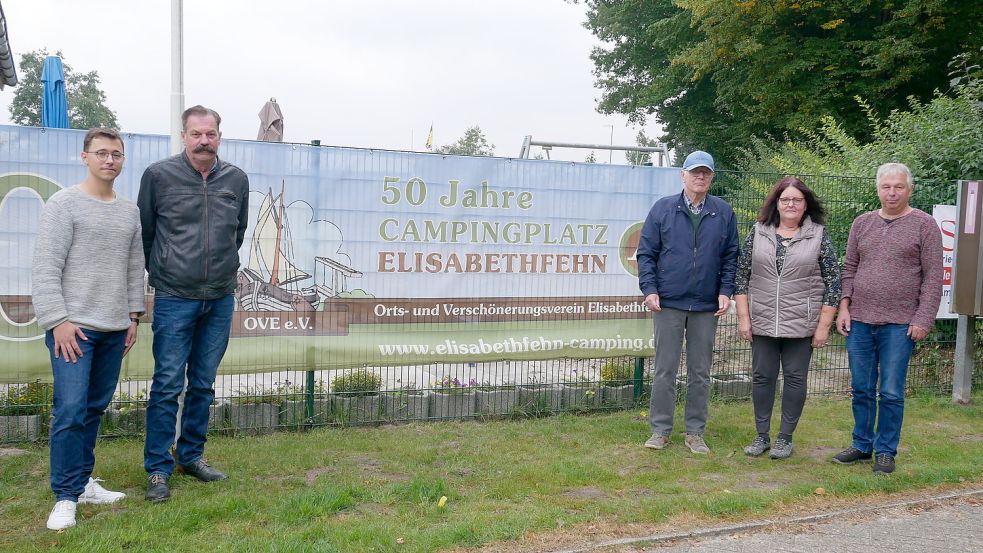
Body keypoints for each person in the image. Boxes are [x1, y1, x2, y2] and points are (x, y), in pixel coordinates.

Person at [31, 128, 144, 530]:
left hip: (115, 329)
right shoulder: (64, 205)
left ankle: (82, 484)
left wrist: (133, 316)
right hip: (73, 330)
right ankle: (64, 496)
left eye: (116, 154)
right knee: (71, 411)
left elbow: (135, 268)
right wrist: (57, 321)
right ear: (85, 157)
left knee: (93, 410)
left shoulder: (129, 212)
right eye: (101, 153)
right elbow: (46, 267)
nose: (109, 160)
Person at [138, 105, 249, 501]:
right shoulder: (158, 176)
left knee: (202, 384)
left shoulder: (236, 179)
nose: (204, 141)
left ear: (220, 136)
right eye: (196, 134)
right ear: (184, 135)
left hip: (219, 298)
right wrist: (168, 272)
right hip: (173, 297)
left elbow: (237, 233)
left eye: (211, 134)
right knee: (167, 385)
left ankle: (191, 456)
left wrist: (215, 274)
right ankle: (157, 469)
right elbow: (147, 235)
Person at [833, 162, 942, 475]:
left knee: (891, 391)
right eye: (886, 186)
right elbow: (849, 268)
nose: (892, 192)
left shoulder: (925, 225)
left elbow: (934, 277)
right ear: (878, 189)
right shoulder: (862, 223)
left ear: (910, 189)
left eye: (898, 187)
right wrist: (844, 306)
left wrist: (923, 318)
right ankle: (862, 444)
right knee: (861, 387)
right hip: (860, 320)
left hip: (900, 323)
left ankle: (885, 450)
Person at [637, 150, 739, 454]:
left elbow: (731, 256)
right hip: (668, 302)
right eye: (695, 172)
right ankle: (661, 430)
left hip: (706, 305)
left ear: (712, 177)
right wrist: (650, 289)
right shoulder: (663, 209)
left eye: (706, 172)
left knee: (700, 371)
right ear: (683, 175)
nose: (700, 177)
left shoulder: (723, 212)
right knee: (664, 369)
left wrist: (725, 290)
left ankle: (695, 432)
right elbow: (646, 253)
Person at [733, 177, 840, 460]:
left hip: (801, 323)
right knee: (762, 377)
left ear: (806, 206)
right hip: (763, 320)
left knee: (795, 379)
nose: (791, 204)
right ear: (776, 204)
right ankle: (761, 436)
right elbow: (740, 277)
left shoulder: (818, 235)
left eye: (797, 200)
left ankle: (785, 438)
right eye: (785, 199)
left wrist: (823, 327)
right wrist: (744, 318)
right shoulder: (758, 232)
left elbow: (833, 283)